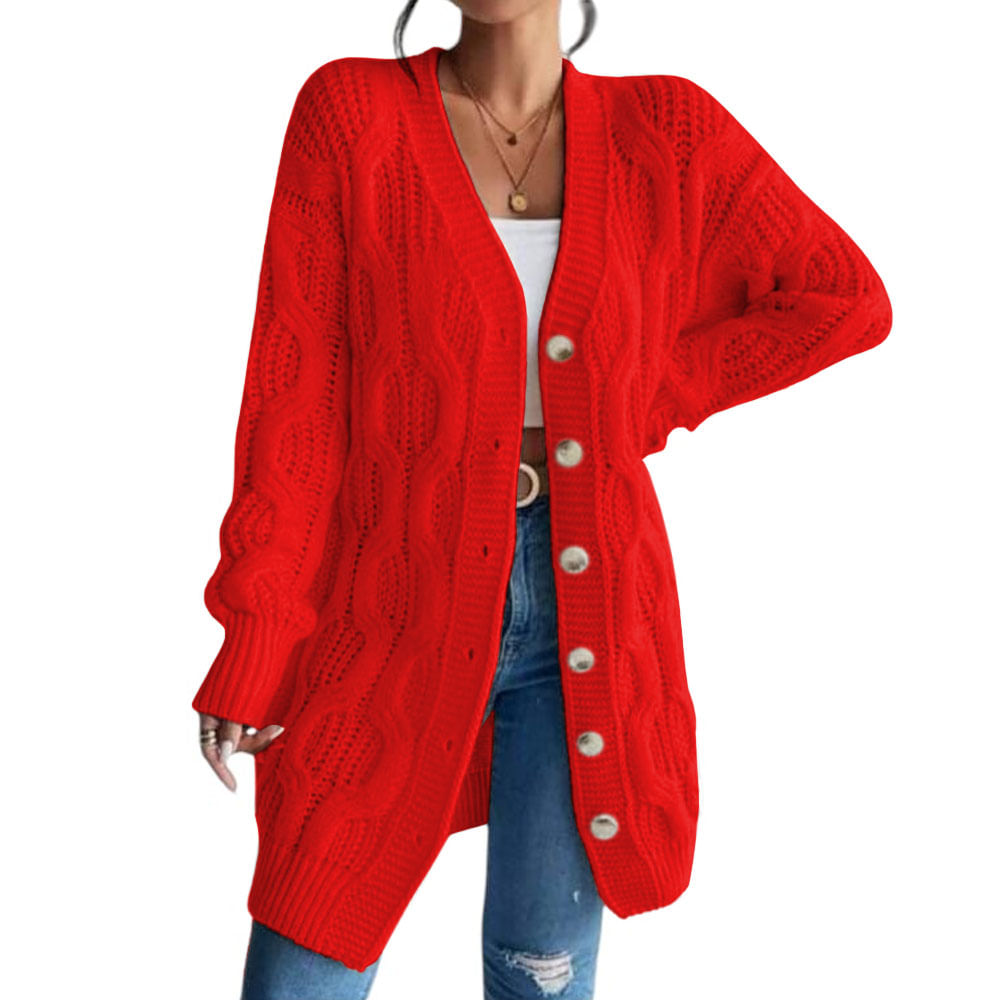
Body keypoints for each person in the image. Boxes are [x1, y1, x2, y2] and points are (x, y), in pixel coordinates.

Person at [192, 2, 893, 998]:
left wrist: (650, 392)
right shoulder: (351, 114)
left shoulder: (668, 129)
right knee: (305, 956)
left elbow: (843, 297)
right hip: (385, 602)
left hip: (588, 617)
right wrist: (257, 636)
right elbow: (294, 400)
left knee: (539, 974)